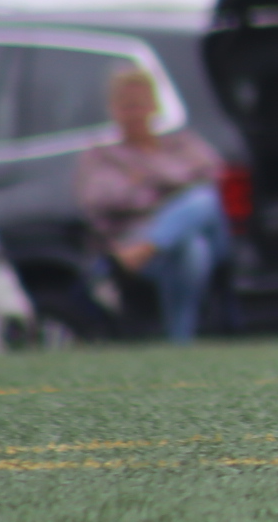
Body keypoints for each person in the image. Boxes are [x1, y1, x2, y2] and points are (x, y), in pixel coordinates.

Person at [74, 65, 229, 343]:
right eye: (126, 106)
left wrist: (148, 178)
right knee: (193, 248)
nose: (134, 113)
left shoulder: (181, 144)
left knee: (204, 201)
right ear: (113, 110)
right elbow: (100, 198)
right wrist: (168, 189)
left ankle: (146, 248)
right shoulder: (101, 156)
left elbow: (214, 175)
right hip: (135, 238)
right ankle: (180, 340)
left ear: (155, 106)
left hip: (141, 252)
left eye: (140, 104)